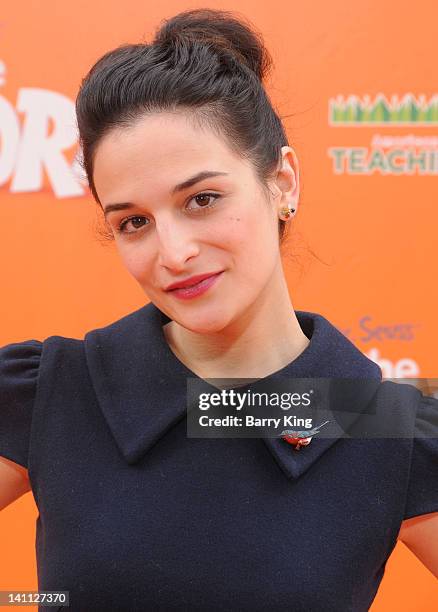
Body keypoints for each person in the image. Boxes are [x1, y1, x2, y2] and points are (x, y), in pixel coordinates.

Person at [1, 7, 437, 611]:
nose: (173, 252)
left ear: (282, 182)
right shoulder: (55, 391)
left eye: (202, 199)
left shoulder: (382, 425)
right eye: (134, 222)